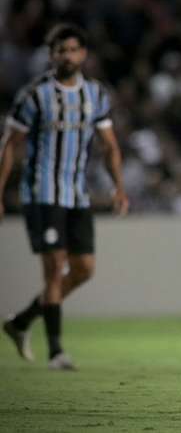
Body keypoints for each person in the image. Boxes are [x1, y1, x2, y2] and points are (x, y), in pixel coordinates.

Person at [1, 23, 129, 370]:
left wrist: (118, 186)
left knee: (84, 269)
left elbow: (109, 146)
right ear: (51, 55)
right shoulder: (34, 95)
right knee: (55, 269)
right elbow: (10, 145)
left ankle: (22, 321)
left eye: (73, 50)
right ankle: (56, 351)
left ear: (83, 54)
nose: (67, 56)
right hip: (42, 194)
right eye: (61, 50)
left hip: (77, 195)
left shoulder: (96, 95)